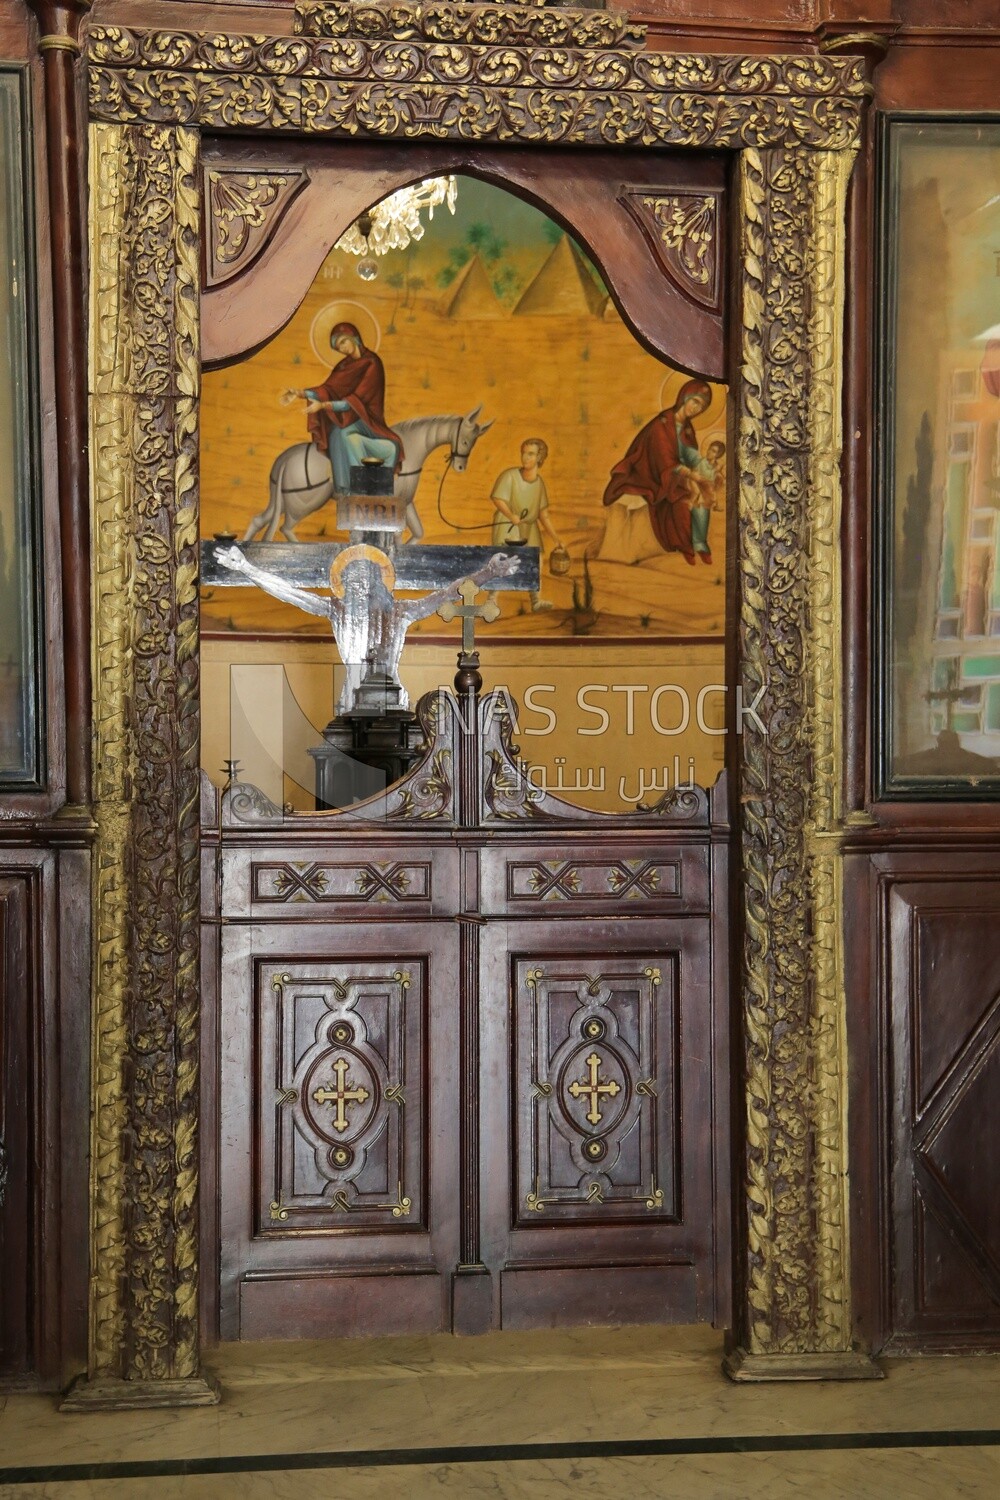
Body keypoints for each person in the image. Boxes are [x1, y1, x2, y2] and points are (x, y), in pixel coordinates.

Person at [602, 379, 715, 565]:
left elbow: (690, 455)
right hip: (647, 475)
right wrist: (690, 475)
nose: (696, 408)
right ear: (684, 398)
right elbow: (663, 460)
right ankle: (685, 547)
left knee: (702, 499)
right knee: (681, 503)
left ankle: (700, 544)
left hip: (672, 476)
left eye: (701, 407)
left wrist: (700, 473)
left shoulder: (687, 429)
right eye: (695, 401)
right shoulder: (662, 424)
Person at [287, 323, 402, 495]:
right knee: (337, 433)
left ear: (354, 337)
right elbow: (327, 389)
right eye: (337, 346)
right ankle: (346, 489)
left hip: (367, 420)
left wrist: (324, 405)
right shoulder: (343, 367)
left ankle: (361, 488)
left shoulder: (372, 363)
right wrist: (300, 393)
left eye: (343, 342)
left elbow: (354, 402)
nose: (342, 348)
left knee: (345, 435)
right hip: (349, 419)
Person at [489, 438, 565, 612]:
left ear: (540, 457)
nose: (525, 457)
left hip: (529, 527)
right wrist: (511, 515)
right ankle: (492, 600)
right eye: (523, 452)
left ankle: (536, 601)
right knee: (504, 559)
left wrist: (556, 539)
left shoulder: (539, 484)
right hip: (508, 524)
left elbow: (543, 515)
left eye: (530, 454)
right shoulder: (510, 476)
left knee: (537, 559)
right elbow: (497, 498)